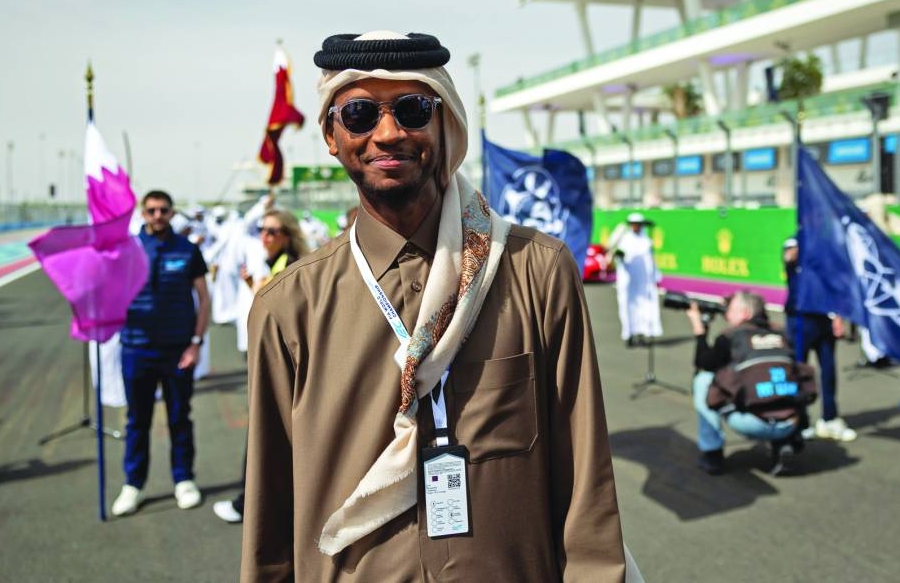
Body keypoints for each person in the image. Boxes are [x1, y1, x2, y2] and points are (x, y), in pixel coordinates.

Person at [241, 31, 625, 581]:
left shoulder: (535, 272)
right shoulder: (288, 307)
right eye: (359, 114)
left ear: (443, 123)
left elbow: (586, 479)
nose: (389, 132)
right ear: (330, 134)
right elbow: (269, 513)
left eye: (412, 109)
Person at [111, 190, 210, 517]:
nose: (157, 215)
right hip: (136, 349)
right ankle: (133, 484)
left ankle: (184, 479)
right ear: (142, 212)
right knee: (137, 421)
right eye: (151, 210)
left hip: (178, 350)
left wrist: (196, 342)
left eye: (163, 210)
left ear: (171, 213)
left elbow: (203, 298)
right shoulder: (127, 249)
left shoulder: (187, 249)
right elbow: (109, 291)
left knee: (180, 418)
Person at [213, 209, 309, 524]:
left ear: (287, 235)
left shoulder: (292, 267)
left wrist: (257, 289)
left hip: (285, 365)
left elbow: (281, 314)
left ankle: (248, 504)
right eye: (261, 230)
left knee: (265, 434)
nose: (264, 237)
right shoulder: (277, 264)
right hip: (273, 359)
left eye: (272, 231)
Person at [686, 291, 813, 476]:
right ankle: (785, 443)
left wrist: (699, 330)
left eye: (730, 309)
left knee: (703, 380)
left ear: (745, 313)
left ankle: (712, 454)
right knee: (779, 380)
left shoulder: (730, 337)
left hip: (752, 422)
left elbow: (703, 363)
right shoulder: (782, 334)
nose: (726, 314)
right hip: (791, 421)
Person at [783, 238, 857, 442]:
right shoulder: (796, 241)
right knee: (798, 371)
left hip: (823, 319)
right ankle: (801, 419)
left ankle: (830, 418)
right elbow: (789, 257)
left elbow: (834, 286)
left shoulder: (825, 250)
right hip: (799, 320)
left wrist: (838, 316)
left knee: (829, 371)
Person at [608, 212, 662, 346]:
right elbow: (617, 255)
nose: (636, 227)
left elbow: (650, 262)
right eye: (634, 224)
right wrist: (618, 255)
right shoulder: (624, 240)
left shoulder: (646, 241)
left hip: (644, 283)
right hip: (628, 282)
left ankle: (643, 334)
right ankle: (629, 334)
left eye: (639, 224)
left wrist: (655, 276)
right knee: (627, 306)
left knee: (644, 307)